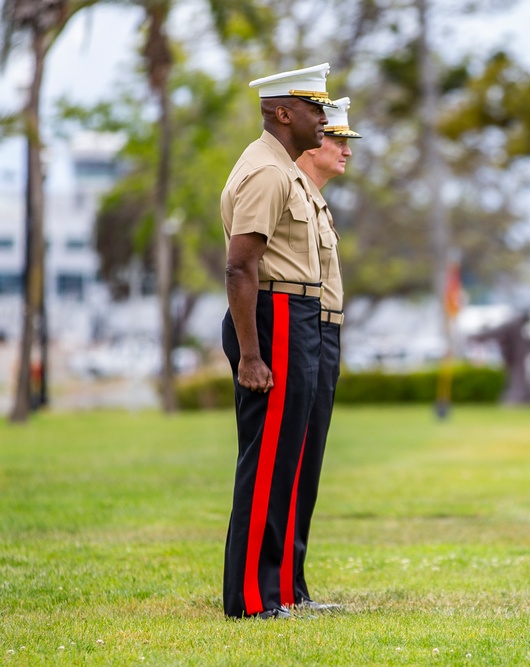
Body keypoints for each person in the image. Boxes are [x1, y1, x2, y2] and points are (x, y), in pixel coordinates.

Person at [219, 62, 335, 620]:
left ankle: (280, 593)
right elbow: (240, 267)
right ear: (282, 112)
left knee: (285, 460)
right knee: (265, 463)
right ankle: (249, 599)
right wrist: (250, 354)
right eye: (315, 108)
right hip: (275, 315)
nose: (324, 118)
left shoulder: (282, 169)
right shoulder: (267, 172)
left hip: (296, 312)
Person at [291, 98, 361, 611]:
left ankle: (292, 585)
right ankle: (277, 588)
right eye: (336, 138)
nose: (344, 150)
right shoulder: (288, 190)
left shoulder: (314, 199)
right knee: (287, 466)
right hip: (300, 329)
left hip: (322, 332)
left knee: (305, 466)